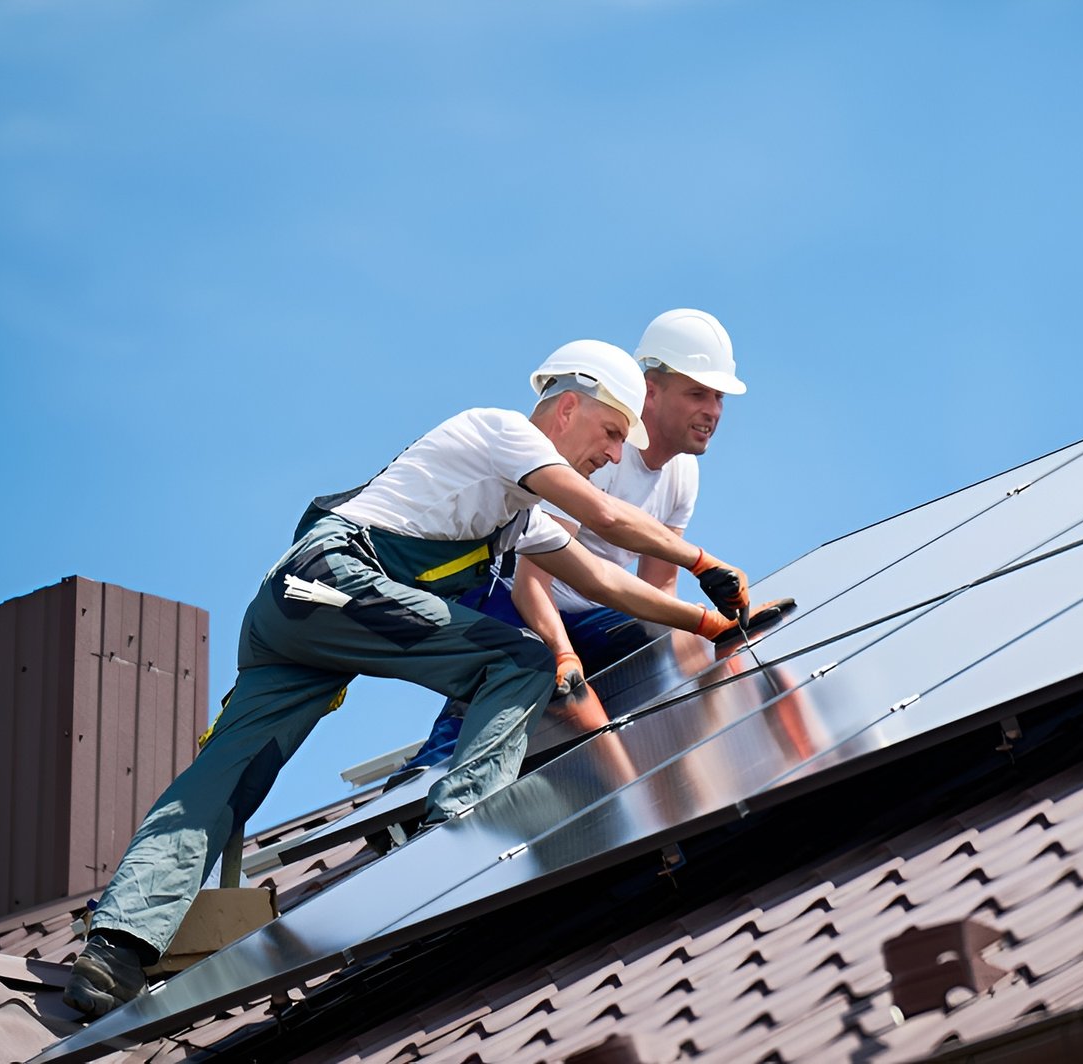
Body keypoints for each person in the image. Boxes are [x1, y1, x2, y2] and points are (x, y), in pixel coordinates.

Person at [64, 339, 755, 1019]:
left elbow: (603, 579)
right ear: (568, 407)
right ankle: (459, 831)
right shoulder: (502, 432)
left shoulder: (517, 517)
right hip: (333, 580)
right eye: (610, 432)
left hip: (297, 613)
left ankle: (116, 950)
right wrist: (701, 561)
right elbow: (605, 516)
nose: (613, 454)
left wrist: (706, 623)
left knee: (227, 776)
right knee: (521, 659)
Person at [403, 308, 745, 768]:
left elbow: (657, 589)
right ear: (651, 391)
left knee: (650, 644)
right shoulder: (595, 451)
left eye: (719, 397)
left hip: (589, 610)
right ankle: (426, 774)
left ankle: (616, 751)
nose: (713, 411)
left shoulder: (682, 474)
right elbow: (537, 579)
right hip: (511, 598)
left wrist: (708, 641)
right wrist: (562, 652)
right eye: (697, 393)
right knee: (518, 669)